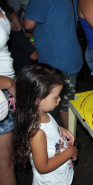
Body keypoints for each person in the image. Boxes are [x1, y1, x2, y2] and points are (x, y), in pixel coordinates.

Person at [13, 63, 78, 184]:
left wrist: (60, 129)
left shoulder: (43, 114)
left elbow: (49, 129)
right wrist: (70, 151)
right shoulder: (37, 133)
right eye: (56, 96)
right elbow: (43, 167)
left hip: (61, 175)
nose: (59, 99)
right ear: (38, 100)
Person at [23, 0, 84, 129]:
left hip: (54, 60)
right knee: (65, 104)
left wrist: (32, 37)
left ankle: (62, 140)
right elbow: (77, 18)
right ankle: (70, 138)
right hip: (71, 54)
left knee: (48, 105)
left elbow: (28, 24)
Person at [0, 6, 16, 185]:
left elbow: (18, 28)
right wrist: (10, 84)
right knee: (5, 163)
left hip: (6, 90)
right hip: (3, 91)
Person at [2, 4, 38, 75]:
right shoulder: (17, 36)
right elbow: (34, 56)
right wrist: (31, 39)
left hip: (17, 75)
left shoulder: (6, 37)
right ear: (13, 15)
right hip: (29, 74)